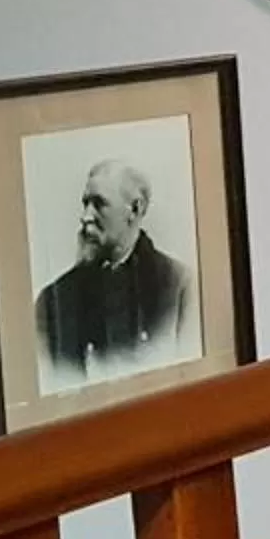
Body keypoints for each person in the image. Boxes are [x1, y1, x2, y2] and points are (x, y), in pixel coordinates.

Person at [35, 160, 195, 381]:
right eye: (85, 204)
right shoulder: (51, 302)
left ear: (135, 209)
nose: (85, 217)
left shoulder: (180, 286)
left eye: (99, 204)